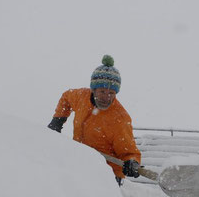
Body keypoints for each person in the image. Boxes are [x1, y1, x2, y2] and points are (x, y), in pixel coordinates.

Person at [47, 55, 141, 185]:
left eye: (111, 93)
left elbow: (129, 152)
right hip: (78, 164)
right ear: (93, 89)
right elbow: (66, 98)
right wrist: (58, 120)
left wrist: (132, 162)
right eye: (102, 91)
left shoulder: (120, 119)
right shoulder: (81, 97)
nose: (106, 97)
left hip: (106, 176)